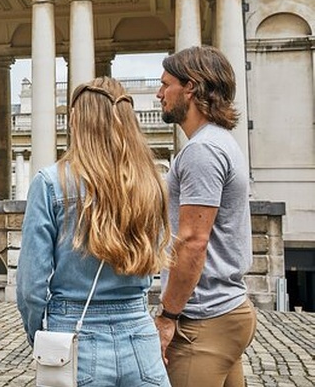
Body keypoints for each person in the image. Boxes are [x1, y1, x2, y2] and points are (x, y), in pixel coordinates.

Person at [17, 77, 172, 386]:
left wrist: (40, 336)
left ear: (76, 121)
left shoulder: (50, 183)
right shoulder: (151, 181)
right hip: (140, 336)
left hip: (74, 332)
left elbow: (30, 288)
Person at [155, 46, 257, 387]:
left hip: (202, 319)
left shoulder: (202, 151)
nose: (159, 93)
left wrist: (168, 316)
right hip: (227, 311)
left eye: (165, 84)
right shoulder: (220, 142)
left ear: (191, 88)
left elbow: (193, 242)